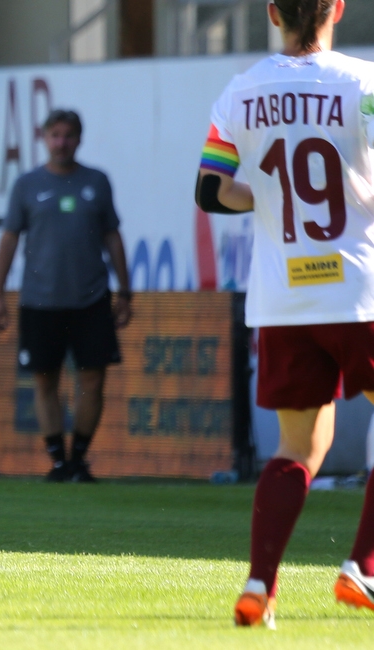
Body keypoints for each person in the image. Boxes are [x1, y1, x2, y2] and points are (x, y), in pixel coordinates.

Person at [196, 0, 374, 627]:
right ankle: (364, 567)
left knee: (297, 447)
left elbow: (211, 191)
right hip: (359, 289)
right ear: (338, 9)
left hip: (284, 296)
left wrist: (269, 198)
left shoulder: (241, 92)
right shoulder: (364, 83)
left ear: (273, 12)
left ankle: (259, 584)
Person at [0, 109, 132, 483]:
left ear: (79, 139)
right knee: (44, 381)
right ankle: (57, 460)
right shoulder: (27, 184)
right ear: (44, 138)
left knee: (93, 380)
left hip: (91, 299)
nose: (61, 142)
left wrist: (126, 291)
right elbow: (9, 239)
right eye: (55, 134)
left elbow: (113, 237)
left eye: (68, 135)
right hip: (40, 301)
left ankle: (80, 458)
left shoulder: (97, 182)